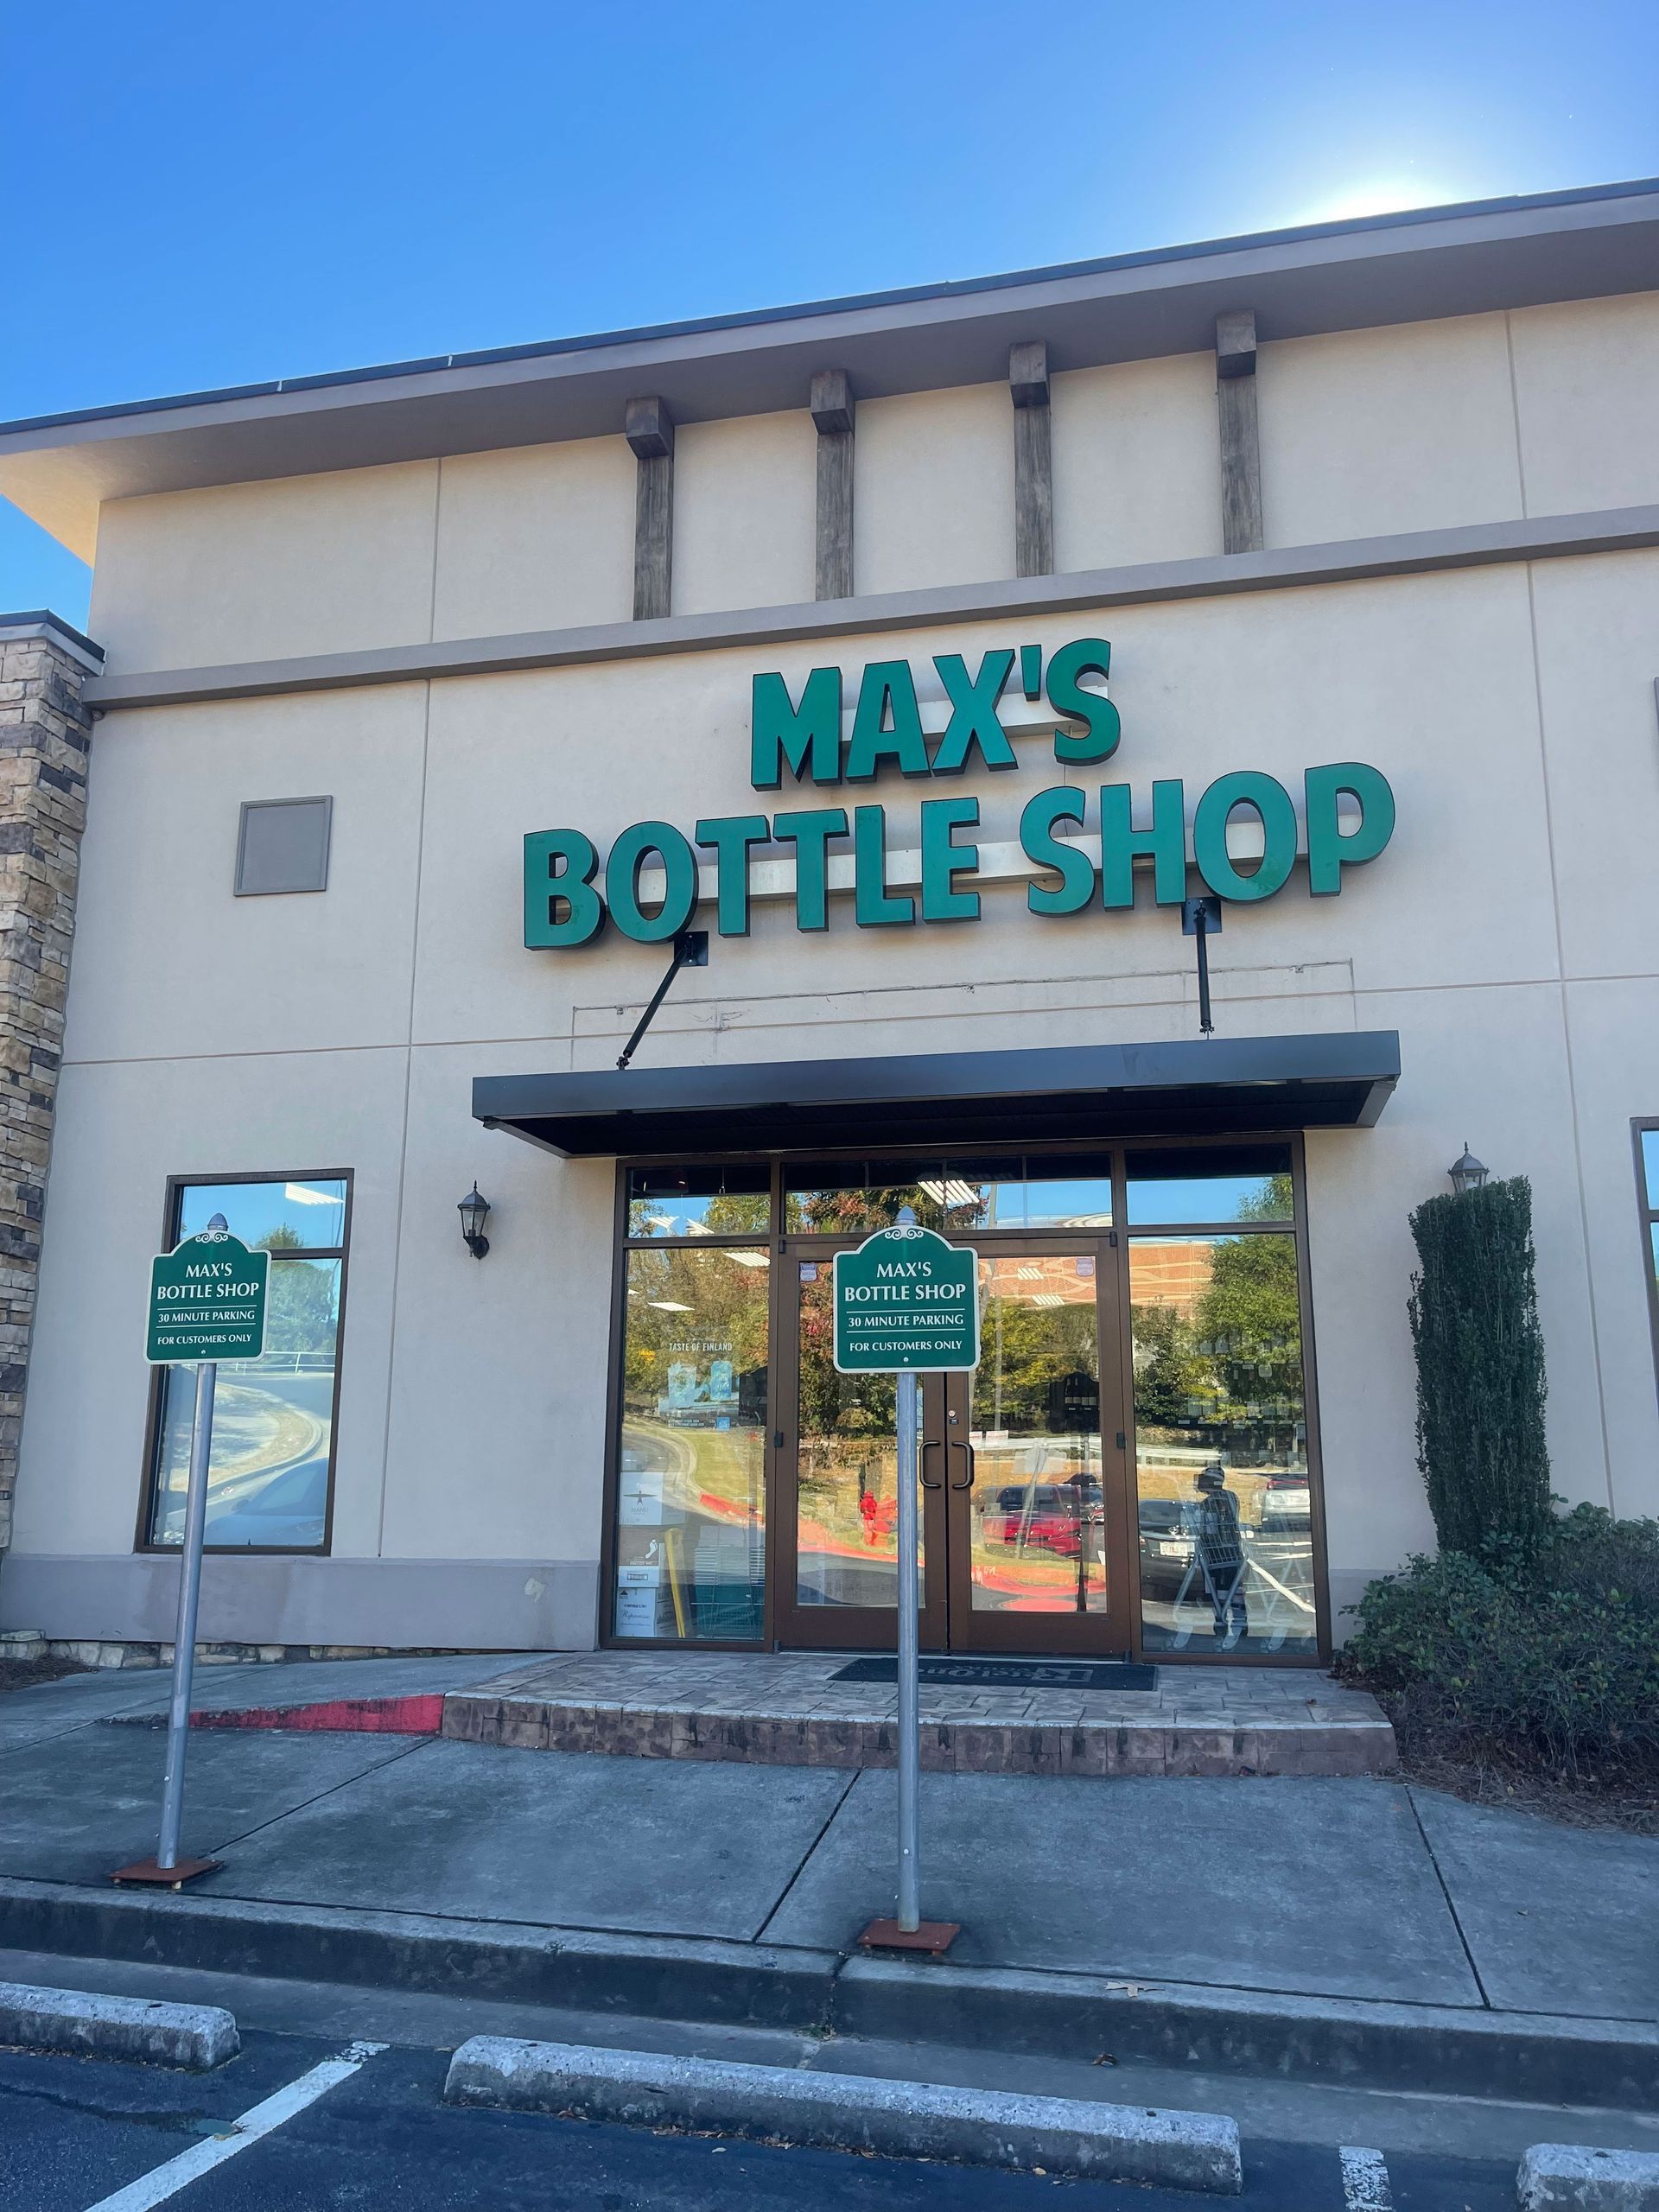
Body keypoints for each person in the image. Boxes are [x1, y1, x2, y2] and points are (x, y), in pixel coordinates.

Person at [1193, 1459, 1248, 1647]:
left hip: (1219, 1551)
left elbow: (1209, 1528)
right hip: (1230, 1550)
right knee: (1232, 1588)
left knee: (1222, 1589)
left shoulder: (1211, 1503)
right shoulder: (1231, 1497)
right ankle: (1238, 1622)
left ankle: (1222, 1622)